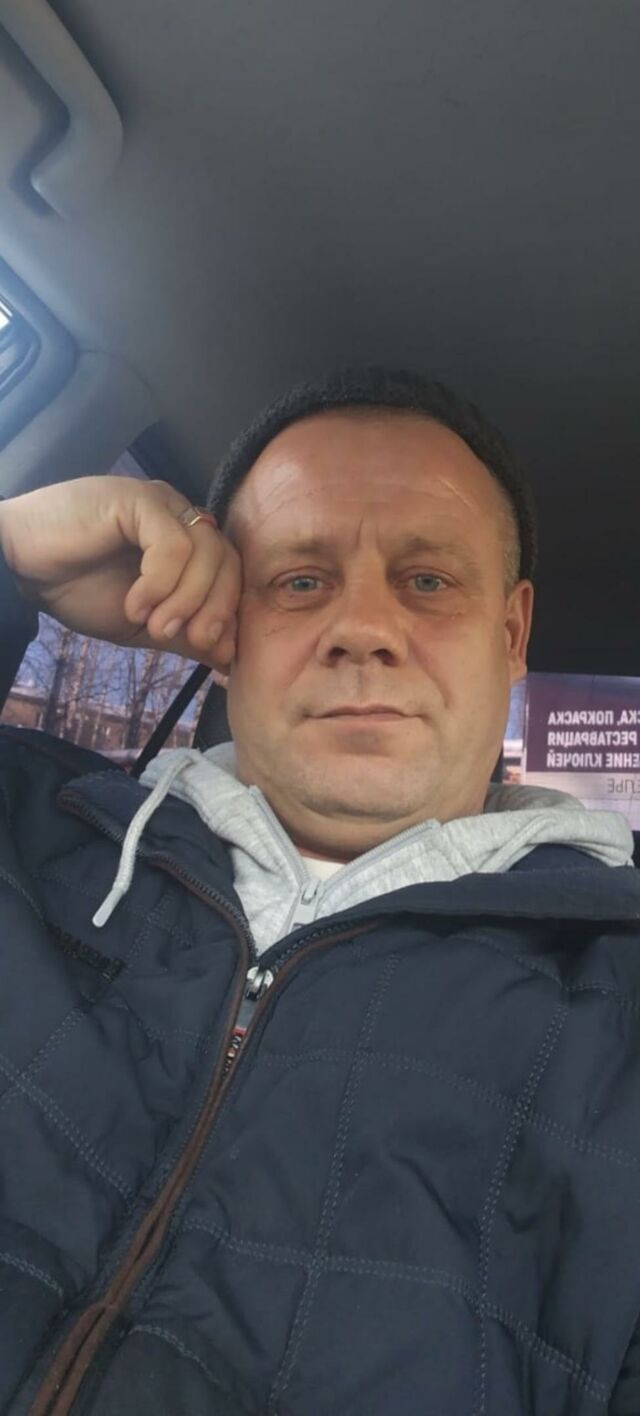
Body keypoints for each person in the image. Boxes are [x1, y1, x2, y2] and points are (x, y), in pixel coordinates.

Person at [0, 366, 639, 1416]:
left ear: (511, 635)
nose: (363, 628)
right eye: (299, 581)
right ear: (219, 626)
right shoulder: (31, 832)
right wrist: (6, 551)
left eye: (427, 580)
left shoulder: (617, 1015)